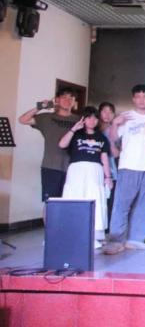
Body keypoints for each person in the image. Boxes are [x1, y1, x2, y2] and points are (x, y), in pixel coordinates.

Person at [104, 84, 145, 254]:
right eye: (138, 96)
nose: (142, 100)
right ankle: (116, 240)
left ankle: (135, 239)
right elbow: (114, 139)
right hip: (128, 165)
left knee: (144, 205)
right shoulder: (126, 117)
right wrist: (115, 124)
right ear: (133, 99)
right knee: (122, 204)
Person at [17, 87, 78, 215]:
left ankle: (64, 228)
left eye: (71, 98)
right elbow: (22, 120)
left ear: (74, 102)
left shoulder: (78, 120)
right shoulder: (46, 118)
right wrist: (40, 106)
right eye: (64, 97)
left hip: (74, 168)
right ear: (57, 100)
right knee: (50, 203)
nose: (68, 100)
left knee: (70, 204)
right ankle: (50, 229)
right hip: (51, 167)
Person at [59, 106, 113, 249]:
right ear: (83, 119)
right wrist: (73, 129)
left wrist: (108, 177)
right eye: (89, 117)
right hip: (77, 170)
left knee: (95, 201)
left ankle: (93, 236)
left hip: (95, 171)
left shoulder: (101, 137)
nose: (92, 121)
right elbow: (62, 144)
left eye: (95, 118)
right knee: (75, 198)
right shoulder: (76, 134)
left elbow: (104, 158)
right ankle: (72, 234)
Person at [99, 101, 120, 228]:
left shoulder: (115, 130)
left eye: (110, 112)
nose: (107, 115)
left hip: (112, 170)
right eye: (104, 111)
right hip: (95, 170)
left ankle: (108, 229)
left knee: (110, 201)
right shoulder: (93, 128)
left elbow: (116, 153)